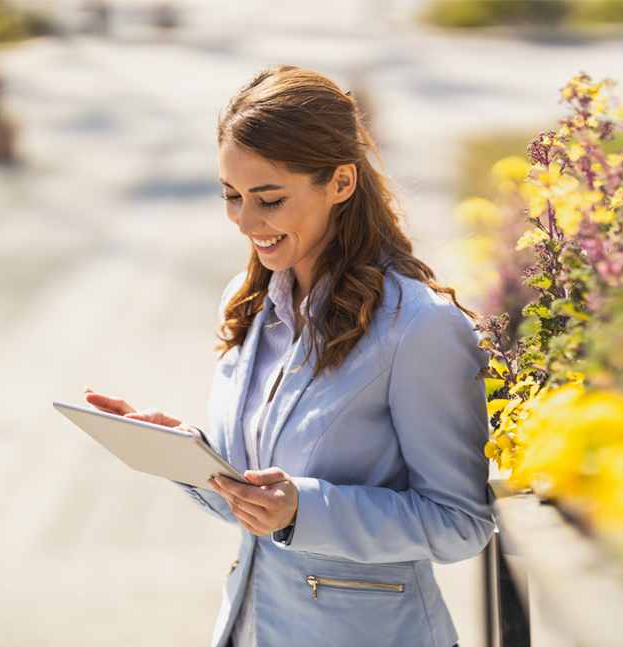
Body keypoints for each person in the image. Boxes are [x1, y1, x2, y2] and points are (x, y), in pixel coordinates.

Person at [85, 64, 494, 647]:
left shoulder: (420, 329)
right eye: (232, 196)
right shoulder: (248, 302)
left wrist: (305, 508)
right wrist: (181, 451)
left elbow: (461, 525)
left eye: (269, 199)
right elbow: (249, 508)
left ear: (342, 183)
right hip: (251, 627)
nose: (247, 222)